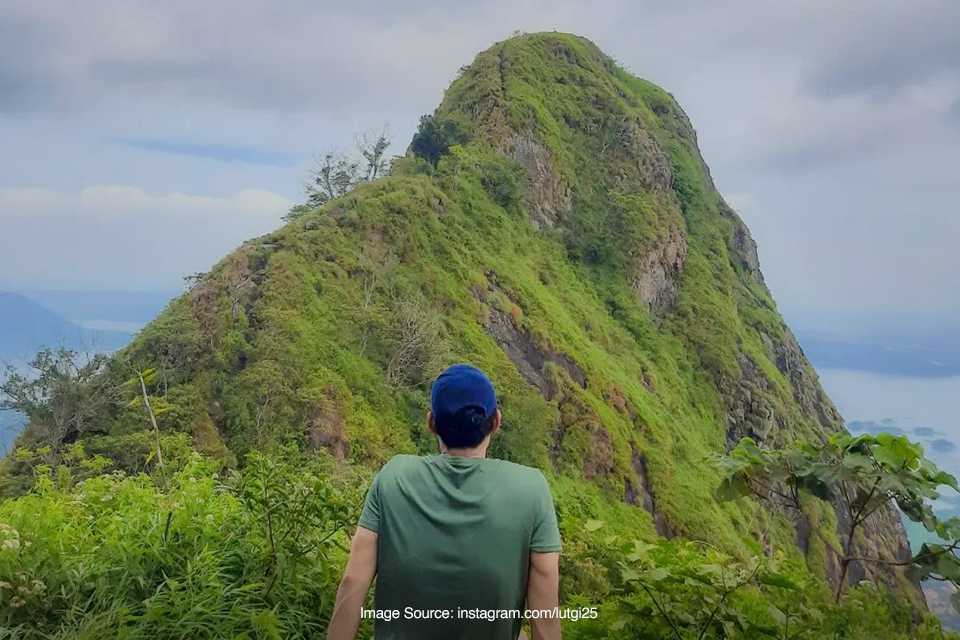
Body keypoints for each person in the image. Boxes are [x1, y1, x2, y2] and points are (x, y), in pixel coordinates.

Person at [326, 364, 563, 640]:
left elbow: (354, 581)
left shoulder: (394, 476)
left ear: (431, 423)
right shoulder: (531, 489)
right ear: (496, 422)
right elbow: (545, 612)